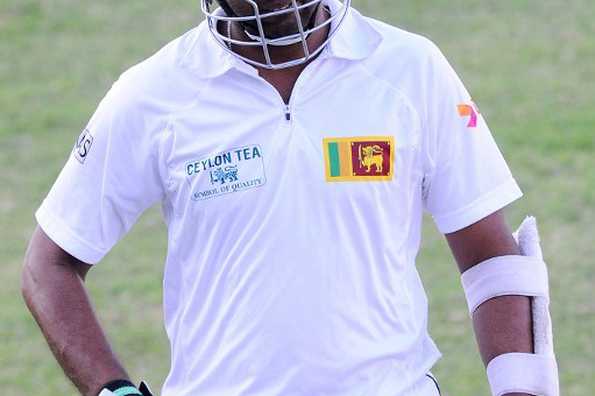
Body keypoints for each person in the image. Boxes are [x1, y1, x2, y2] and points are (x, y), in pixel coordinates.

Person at [22, 1, 559, 395]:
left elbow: (492, 259)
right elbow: (50, 263)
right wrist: (111, 391)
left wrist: (520, 390)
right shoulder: (155, 93)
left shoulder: (410, 70)